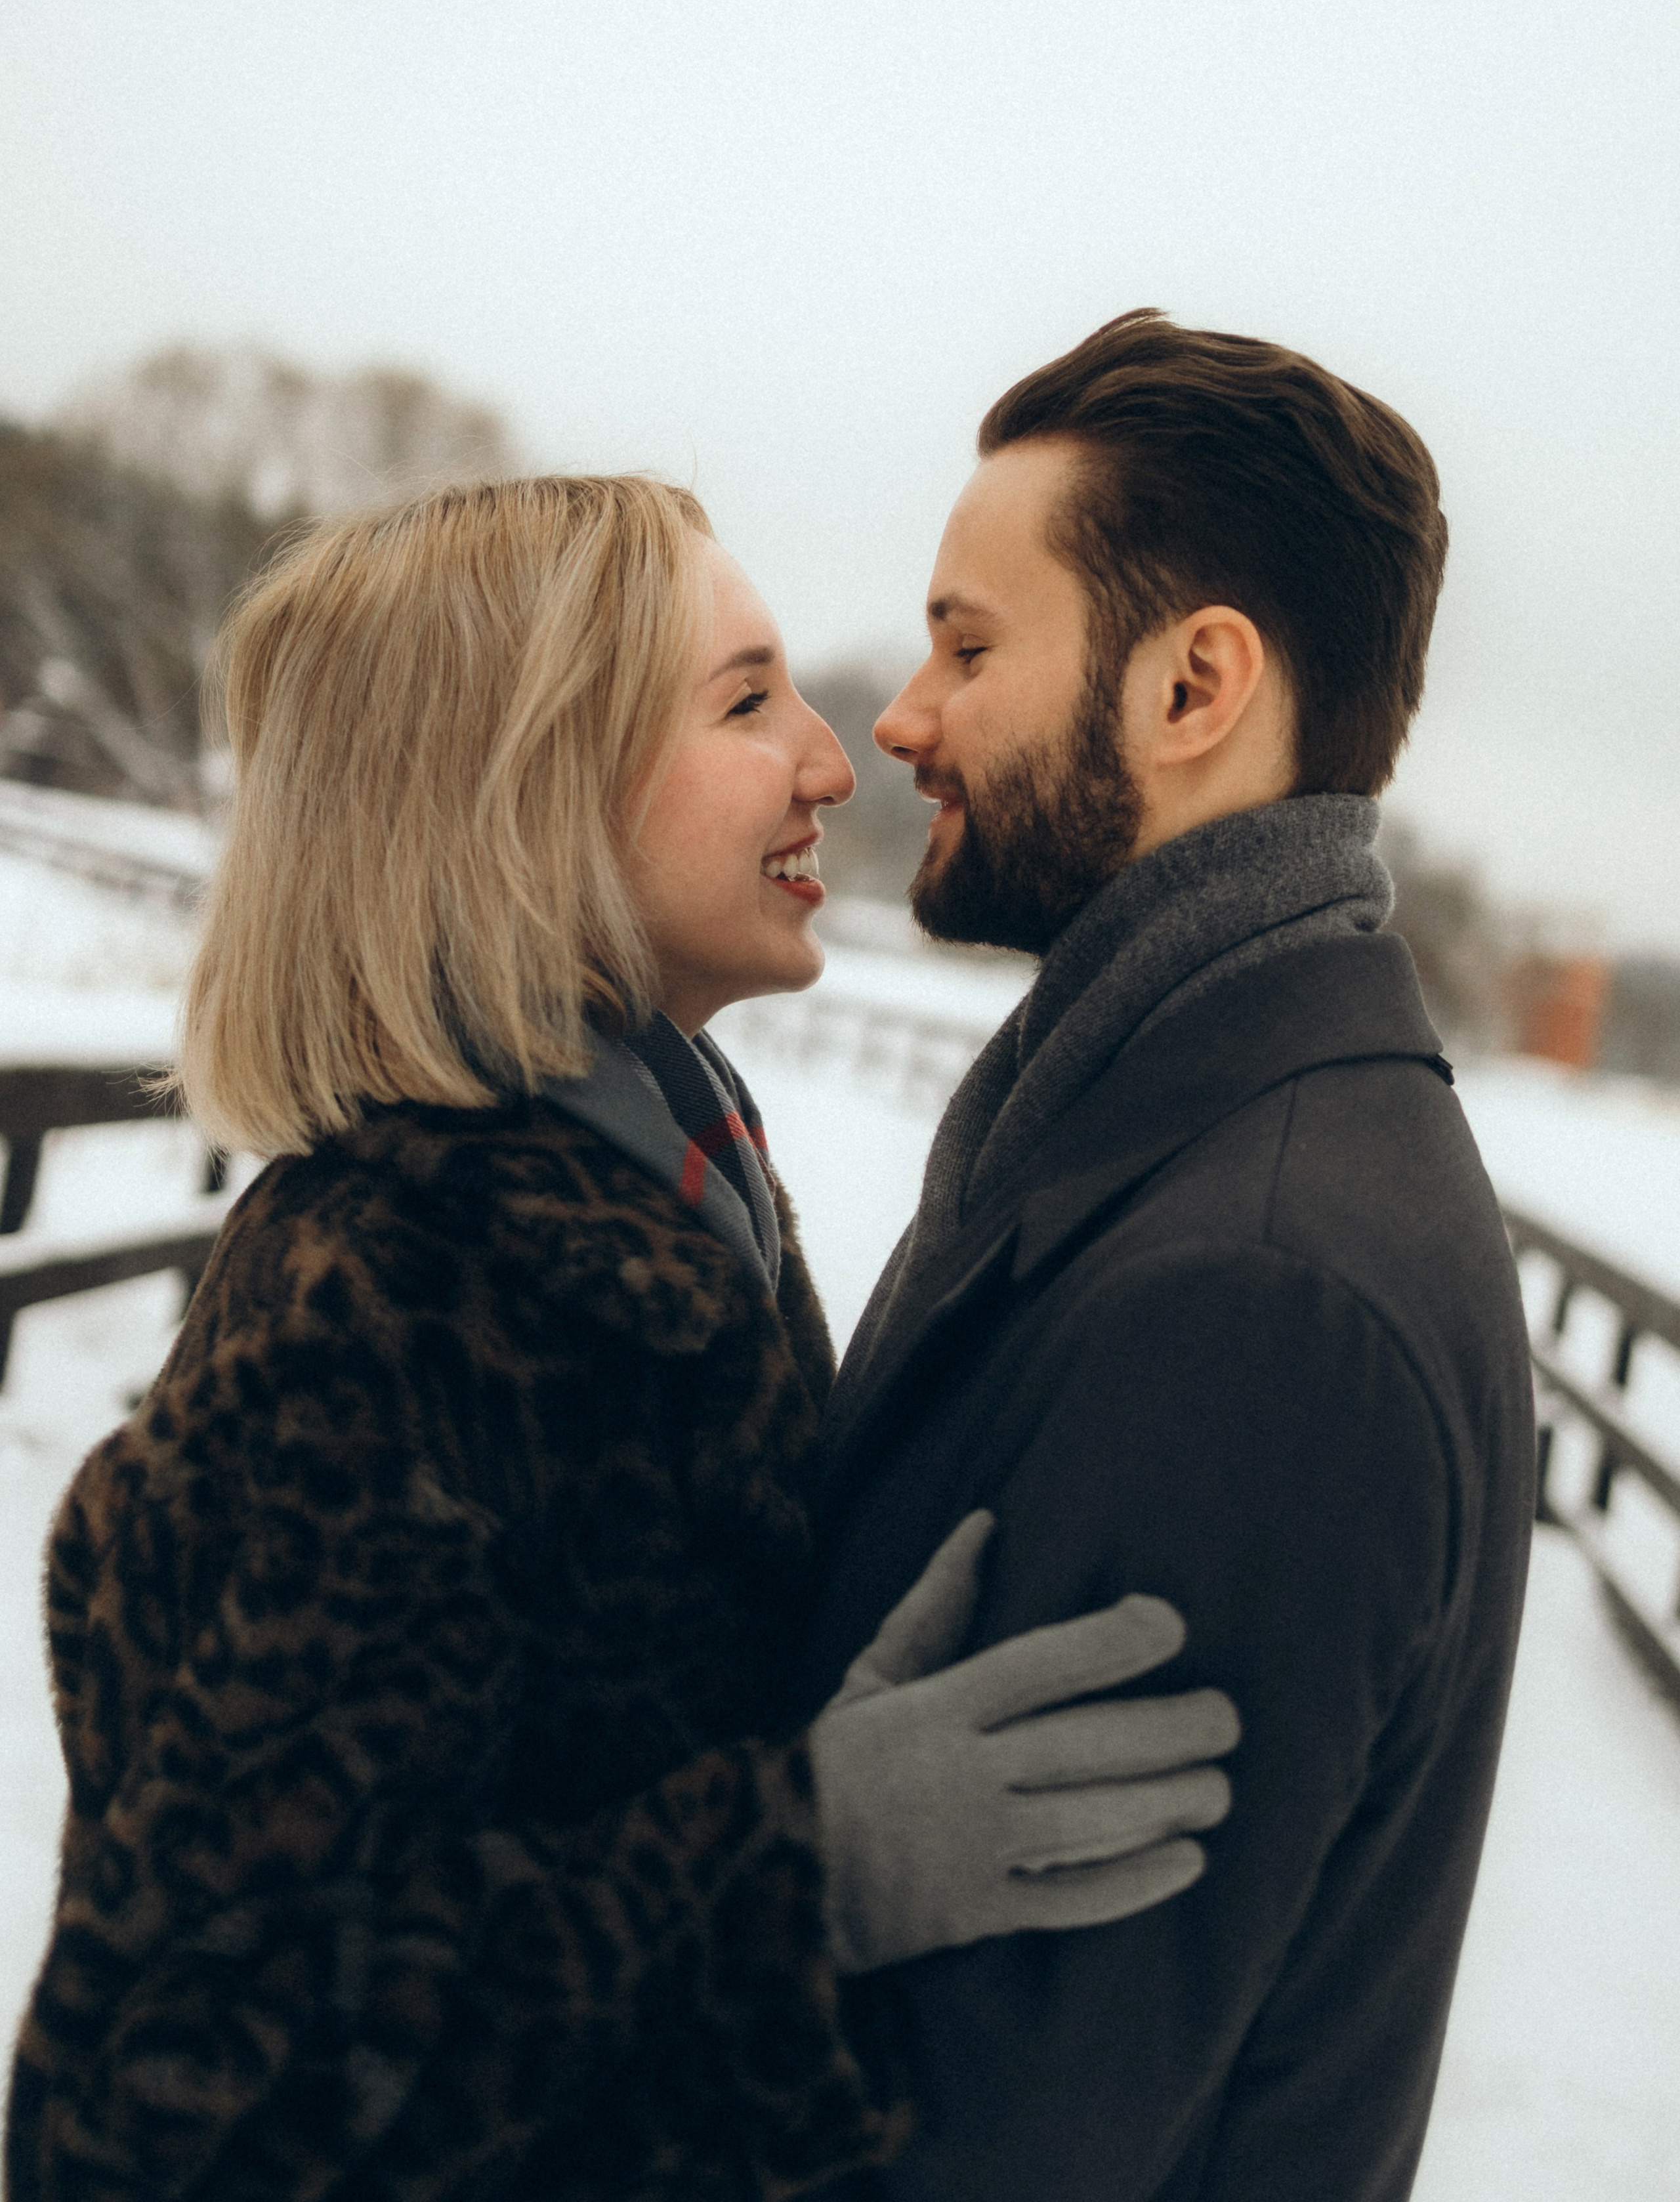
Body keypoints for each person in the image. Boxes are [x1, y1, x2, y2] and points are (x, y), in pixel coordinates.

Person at [4, 474, 1238, 2202]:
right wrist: (807, 1866)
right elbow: (175, 2099)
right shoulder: (388, 1306)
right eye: (746, 702)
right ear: (512, 794)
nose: (833, 759)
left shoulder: (662, 1195)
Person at [794, 312, 1536, 2201]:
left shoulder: (1261, 1297)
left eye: (970, 648)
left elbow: (999, 2134)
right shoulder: (1179, 1118)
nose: (899, 717)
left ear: (1195, 683)